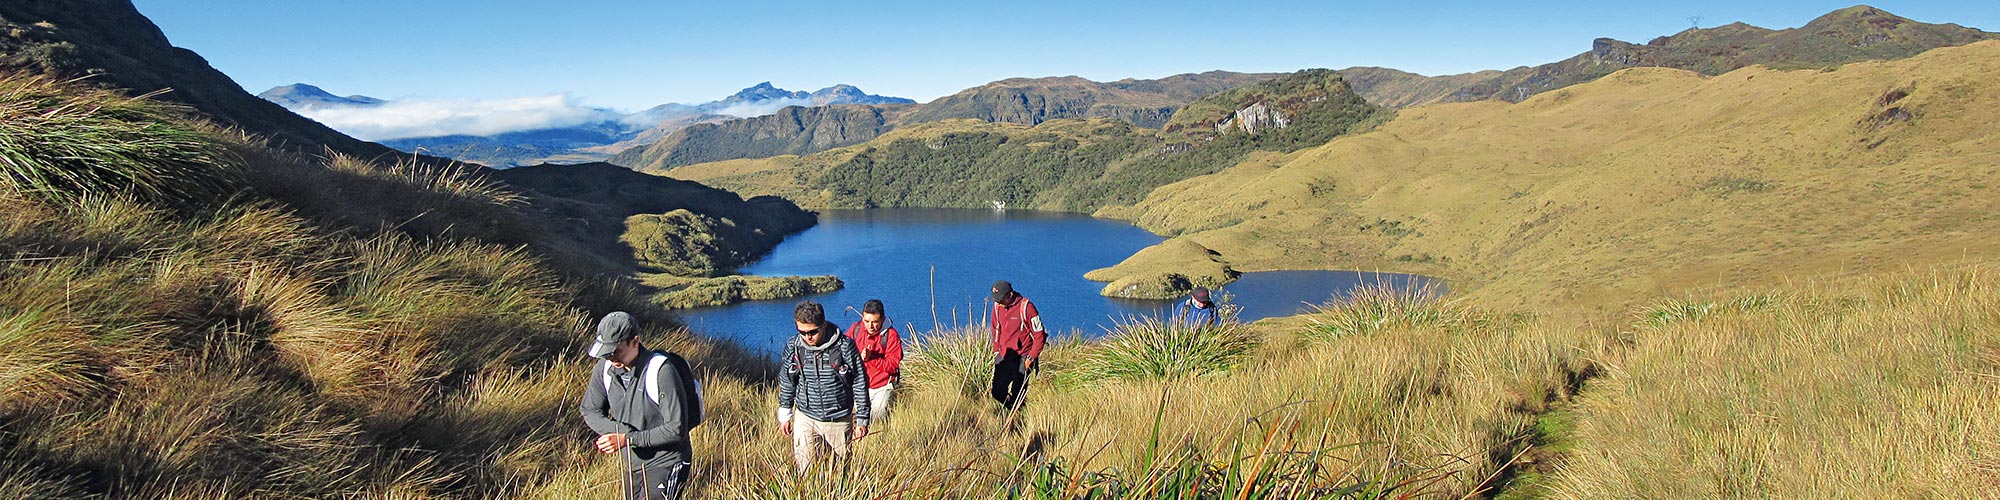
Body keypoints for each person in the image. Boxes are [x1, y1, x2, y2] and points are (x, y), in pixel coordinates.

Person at [579, 311, 693, 500]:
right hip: (633, 462)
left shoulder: (662, 371)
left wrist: (627, 439)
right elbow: (589, 409)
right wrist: (618, 431)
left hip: (667, 460)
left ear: (635, 341)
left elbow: (676, 429)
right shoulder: (605, 367)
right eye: (606, 352)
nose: (610, 357)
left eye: (616, 351)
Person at [777, 300, 870, 473]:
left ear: (824, 325)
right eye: (802, 332)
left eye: (812, 332)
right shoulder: (794, 347)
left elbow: (859, 381)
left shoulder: (844, 346)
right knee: (805, 470)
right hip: (805, 416)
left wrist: (862, 419)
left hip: (839, 419)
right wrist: (785, 412)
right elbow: (788, 379)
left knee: (840, 471)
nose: (807, 337)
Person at [988, 280, 1046, 410]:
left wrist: (1031, 357)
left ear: (1010, 295)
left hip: (1023, 357)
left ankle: (1017, 415)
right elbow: (995, 329)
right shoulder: (997, 307)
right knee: (997, 393)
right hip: (1004, 355)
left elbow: (1039, 335)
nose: (998, 302)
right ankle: (1013, 408)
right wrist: (996, 351)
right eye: (996, 299)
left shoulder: (1026, 307)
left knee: (1018, 393)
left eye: (1001, 299)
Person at [845, 299, 903, 427]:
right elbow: (843, 353)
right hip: (858, 385)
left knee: (878, 416)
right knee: (851, 418)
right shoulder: (855, 329)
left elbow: (893, 366)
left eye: (875, 322)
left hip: (882, 386)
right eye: (866, 321)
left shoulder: (891, 335)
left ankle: (878, 442)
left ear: (882, 320)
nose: (870, 326)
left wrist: (873, 358)